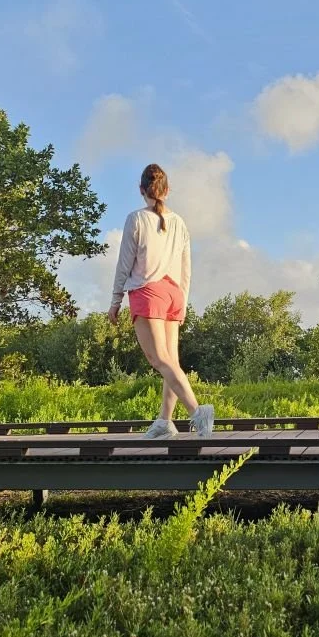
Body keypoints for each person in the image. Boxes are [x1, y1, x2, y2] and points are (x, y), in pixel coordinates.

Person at [108, 164, 214, 439]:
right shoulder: (180, 223)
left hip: (148, 291)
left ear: (141, 190)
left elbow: (124, 263)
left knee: (159, 359)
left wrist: (115, 300)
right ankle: (165, 421)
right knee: (172, 361)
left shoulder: (136, 219)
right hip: (173, 292)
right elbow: (186, 267)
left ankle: (197, 411)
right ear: (167, 191)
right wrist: (183, 301)